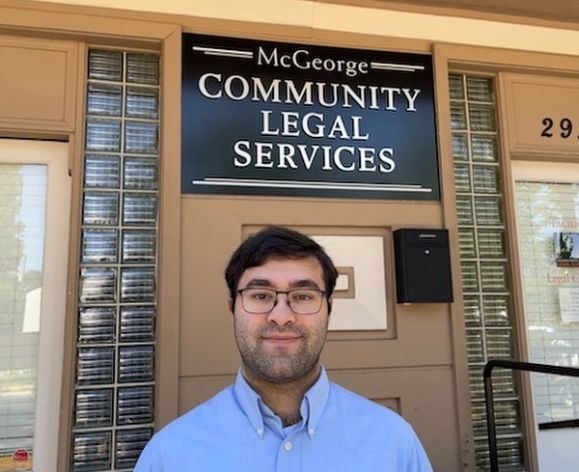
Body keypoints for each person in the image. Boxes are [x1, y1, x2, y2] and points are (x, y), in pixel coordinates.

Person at [135, 226, 433, 471]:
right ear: (232, 308)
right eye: (261, 295)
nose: (281, 315)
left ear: (328, 309)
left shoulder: (394, 443)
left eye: (303, 296)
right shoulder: (169, 455)